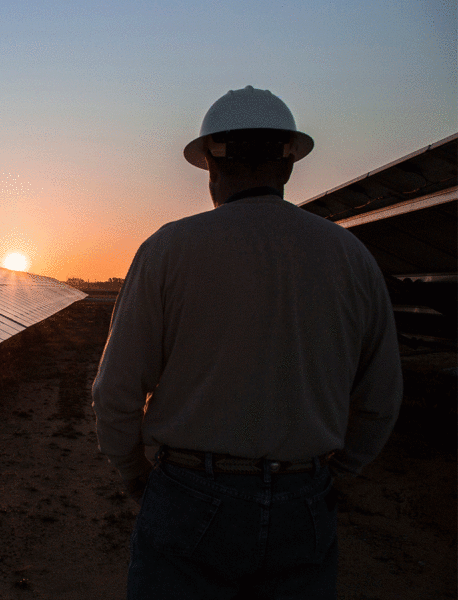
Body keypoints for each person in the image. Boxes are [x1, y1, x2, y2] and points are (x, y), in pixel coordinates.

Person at [91, 85, 403, 599]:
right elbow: (381, 396)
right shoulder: (351, 256)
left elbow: (115, 389)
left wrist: (132, 472)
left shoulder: (168, 249)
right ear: (287, 166)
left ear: (212, 166)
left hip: (188, 494)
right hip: (304, 498)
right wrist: (340, 474)